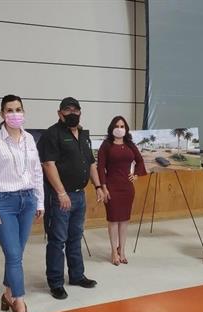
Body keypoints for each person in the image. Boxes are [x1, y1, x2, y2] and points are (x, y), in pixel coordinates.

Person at [0, 94, 44, 312]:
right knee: (14, 254)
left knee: (16, 253)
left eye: (18, 109)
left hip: (27, 200)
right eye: (10, 110)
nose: (15, 114)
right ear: (2, 114)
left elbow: (37, 172)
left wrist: (40, 202)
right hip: (4, 202)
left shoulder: (29, 138)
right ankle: (19, 302)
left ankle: (7, 293)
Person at [38, 97, 104, 300]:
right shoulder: (52, 134)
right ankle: (56, 283)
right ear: (60, 113)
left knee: (76, 237)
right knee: (57, 240)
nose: (72, 113)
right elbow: (48, 164)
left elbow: (91, 163)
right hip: (60, 197)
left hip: (79, 195)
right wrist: (61, 193)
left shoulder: (83, 135)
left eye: (75, 110)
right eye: (67, 110)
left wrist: (98, 186)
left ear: (80, 113)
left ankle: (77, 275)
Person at [97, 116, 147, 265]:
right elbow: (100, 167)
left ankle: (122, 251)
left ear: (126, 129)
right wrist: (103, 187)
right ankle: (114, 252)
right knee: (113, 220)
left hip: (127, 188)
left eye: (122, 126)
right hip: (111, 187)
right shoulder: (106, 145)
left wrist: (136, 174)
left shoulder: (130, 144)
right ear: (112, 128)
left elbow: (140, 161)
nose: (119, 129)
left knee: (124, 221)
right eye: (117, 126)